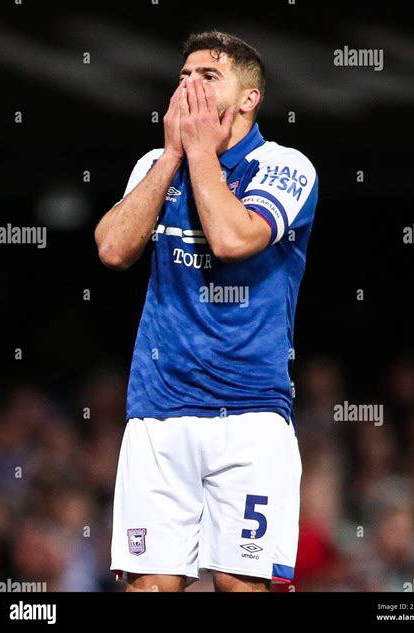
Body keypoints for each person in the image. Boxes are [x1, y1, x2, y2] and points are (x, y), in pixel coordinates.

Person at [95, 30, 318, 592]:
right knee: (149, 587)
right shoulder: (156, 162)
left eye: (208, 76)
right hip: (158, 411)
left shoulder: (285, 167)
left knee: (238, 587)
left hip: (249, 417)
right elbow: (113, 248)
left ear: (249, 98)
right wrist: (173, 154)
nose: (189, 86)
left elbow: (232, 238)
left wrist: (196, 152)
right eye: (183, 77)